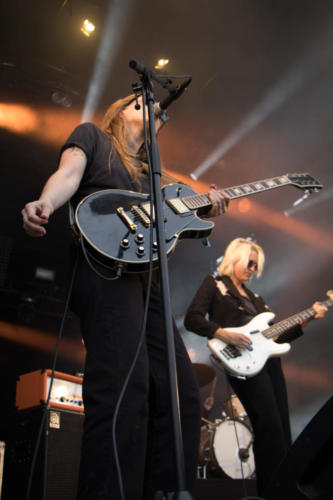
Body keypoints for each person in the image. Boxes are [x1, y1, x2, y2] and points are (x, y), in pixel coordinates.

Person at [21, 94, 229, 500]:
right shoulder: (94, 137)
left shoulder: (156, 178)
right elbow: (67, 175)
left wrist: (208, 210)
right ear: (120, 111)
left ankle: (165, 492)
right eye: (141, 101)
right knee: (122, 386)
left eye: (158, 110)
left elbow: (182, 219)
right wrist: (44, 202)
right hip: (102, 269)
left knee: (180, 392)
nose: (152, 108)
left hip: (147, 281)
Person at [184, 237, 327, 496]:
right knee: (268, 423)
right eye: (249, 263)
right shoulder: (215, 284)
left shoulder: (256, 298)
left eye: (256, 265)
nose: (252, 269)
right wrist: (223, 334)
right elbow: (192, 318)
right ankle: (272, 491)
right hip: (241, 361)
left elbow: (277, 335)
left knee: (281, 426)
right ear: (235, 257)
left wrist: (307, 319)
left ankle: (285, 487)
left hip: (269, 362)